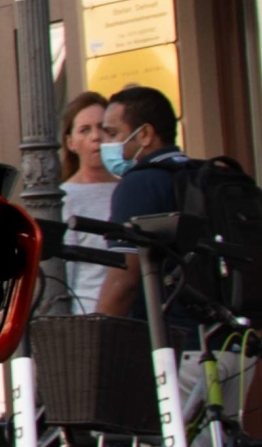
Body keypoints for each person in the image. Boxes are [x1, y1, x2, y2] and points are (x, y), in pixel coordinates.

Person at [91, 84, 202, 335]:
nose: (103, 143)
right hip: (228, 344)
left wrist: (95, 343)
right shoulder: (200, 175)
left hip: (174, 346)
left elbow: (124, 280)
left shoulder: (140, 183)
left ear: (145, 135)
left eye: (112, 133)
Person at [60, 92, 118, 312]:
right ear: (71, 142)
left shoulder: (128, 189)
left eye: (103, 128)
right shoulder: (64, 197)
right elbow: (65, 274)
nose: (96, 137)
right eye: (85, 130)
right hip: (86, 316)